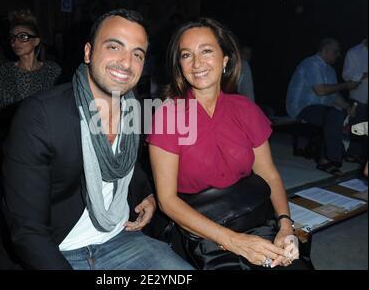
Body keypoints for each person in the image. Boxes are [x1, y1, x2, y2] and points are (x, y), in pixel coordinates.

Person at [1, 9, 193, 270]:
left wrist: (146, 192)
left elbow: (124, 160)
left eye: (137, 54)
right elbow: (27, 231)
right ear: (88, 52)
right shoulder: (41, 116)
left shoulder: (132, 107)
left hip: (122, 239)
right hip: (58, 250)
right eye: (114, 46)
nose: (126, 63)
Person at [147, 18, 308, 270]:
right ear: (179, 65)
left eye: (207, 51)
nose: (197, 63)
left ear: (225, 60)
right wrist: (235, 241)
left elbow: (269, 175)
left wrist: (286, 226)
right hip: (203, 229)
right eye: (187, 55)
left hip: (255, 216)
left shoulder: (245, 109)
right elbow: (167, 200)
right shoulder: (168, 116)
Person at [286, 38, 360, 175]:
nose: (338, 55)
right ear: (325, 50)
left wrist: (347, 107)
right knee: (333, 115)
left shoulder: (330, 70)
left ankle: (341, 154)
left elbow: (334, 95)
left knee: (340, 114)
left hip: (321, 109)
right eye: (336, 51)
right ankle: (329, 160)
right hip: (302, 108)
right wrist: (346, 85)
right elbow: (320, 90)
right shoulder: (311, 63)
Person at [0, 10, 61, 113]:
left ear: (36, 41)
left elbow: (59, 104)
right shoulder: (6, 71)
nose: (16, 42)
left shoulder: (52, 70)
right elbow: (4, 110)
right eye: (13, 38)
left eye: (23, 37)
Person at [342, 38, 368, 163]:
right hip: (359, 96)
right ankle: (353, 153)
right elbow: (347, 76)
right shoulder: (354, 52)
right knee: (358, 125)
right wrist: (364, 75)